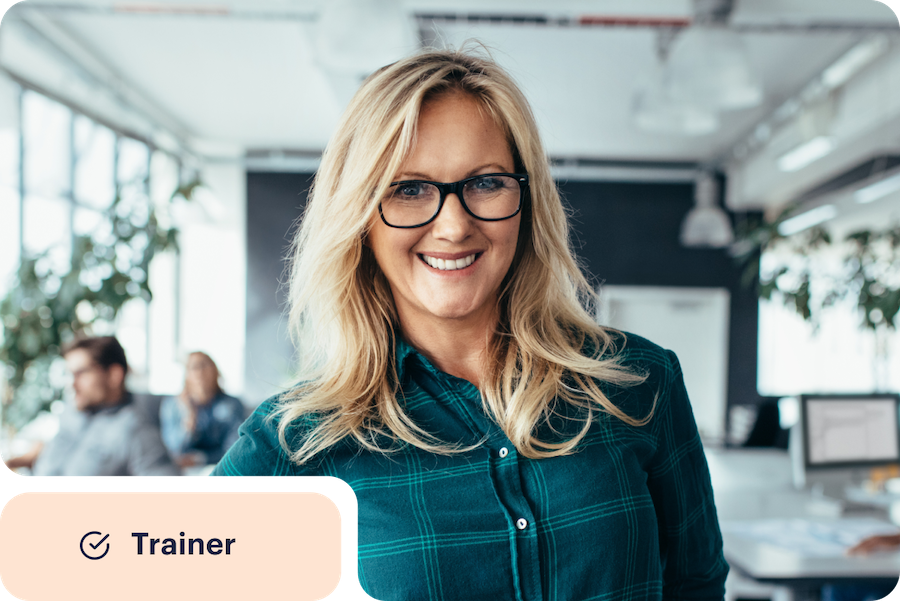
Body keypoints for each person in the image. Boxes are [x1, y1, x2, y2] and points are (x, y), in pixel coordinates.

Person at [212, 48, 728, 599]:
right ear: (360, 217)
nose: (454, 226)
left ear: (526, 199)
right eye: (409, 189)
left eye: (485, 183)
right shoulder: (294, 443)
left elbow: (696, 585)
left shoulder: (640, 381)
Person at [5, 336, 179, 477]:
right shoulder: (73, 415)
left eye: (80, 373)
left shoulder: (135, 431)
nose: (72, 384)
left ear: (114, 375)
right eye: (69, 374)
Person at [159, 351, 244, 468]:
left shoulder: (231, 405)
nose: (200, 372)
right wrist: (189, 419)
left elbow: (235, 448)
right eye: (194, 367)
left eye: (205, 365)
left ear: (215, 371)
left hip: (219, 465)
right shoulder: (172, 405)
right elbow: (171, 450)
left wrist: (201, 459)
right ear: (186, 375)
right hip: (182, 470)